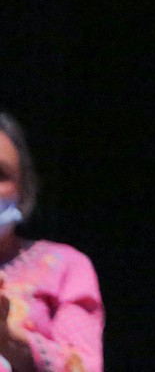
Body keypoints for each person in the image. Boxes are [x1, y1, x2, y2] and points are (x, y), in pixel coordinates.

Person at [0, 112, 103, 372]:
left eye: (0, 174)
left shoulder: (66, 267)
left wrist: (10, 341)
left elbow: (86, 366)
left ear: (24, 189)